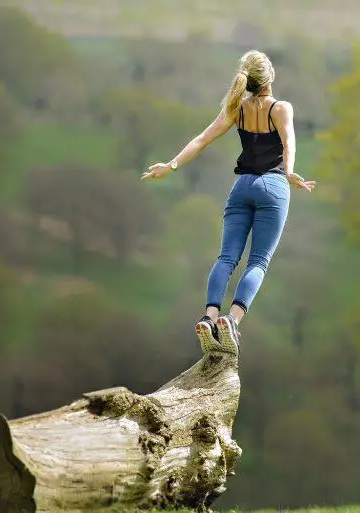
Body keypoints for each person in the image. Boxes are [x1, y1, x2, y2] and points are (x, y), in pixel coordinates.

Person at [142, 50, 316, 355]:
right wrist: (288, 172)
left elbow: (201, 139)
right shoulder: (281, 108)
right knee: (258, 261)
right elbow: (289, 140)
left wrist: (170, 166)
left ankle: (209, 318)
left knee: (226, 258)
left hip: (241, 188)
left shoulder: (237, 109)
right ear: (270, 77)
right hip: (272, 187)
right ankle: (231, 321)